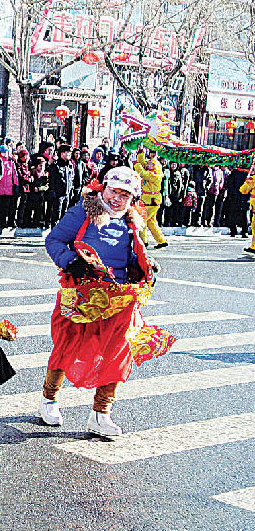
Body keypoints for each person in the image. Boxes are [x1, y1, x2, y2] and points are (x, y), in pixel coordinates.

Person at [38, 167, 175, 436]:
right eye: (114, 191)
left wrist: (147, 267)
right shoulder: (83, 211)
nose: (117, 199)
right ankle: (49, 399)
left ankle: (101, 413)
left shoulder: (133, 220)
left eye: (125, 194)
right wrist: (70, 262)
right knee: (68, 345)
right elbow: (54, 240)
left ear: (132, 197)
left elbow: (135, 254)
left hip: (119, 296)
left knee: (118, 351)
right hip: (81, 292)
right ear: (105, 188)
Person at [133, 150, 168, 248]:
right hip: (149, 200)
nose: (147, 163)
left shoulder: (156, 174)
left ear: (153, 165)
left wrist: (136, 165)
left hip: (151, 200)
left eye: (149, 163)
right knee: (151, 221)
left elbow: (143, 174)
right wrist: (140, 154)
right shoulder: (151, 169)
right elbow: (143, 164)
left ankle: (143, 241)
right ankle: (161, 240)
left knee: (142, 219)